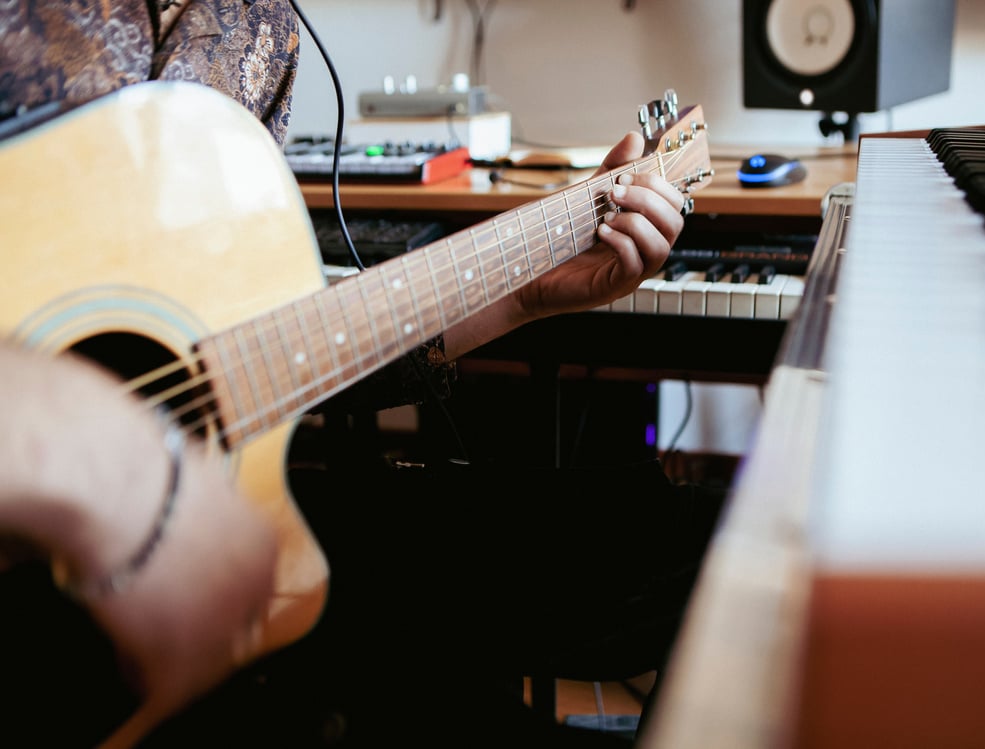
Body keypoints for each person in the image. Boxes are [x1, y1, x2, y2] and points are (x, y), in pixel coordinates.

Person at [0, 2, 726, 747]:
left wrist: (525, 292)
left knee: (710, 541)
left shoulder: (254, 22)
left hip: (220, 519)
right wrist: (97, 462)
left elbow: (257, 354)